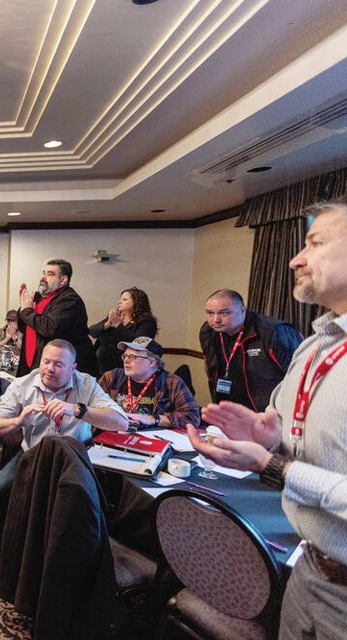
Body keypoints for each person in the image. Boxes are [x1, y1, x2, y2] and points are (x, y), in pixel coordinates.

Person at [186, 196, 347, 638]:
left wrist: (270, 463)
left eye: (315, 243)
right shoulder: (319, 344)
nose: (296, 259)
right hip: (307, 567)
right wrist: (270, 438)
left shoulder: (277, 333)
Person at [0, 340, 127, 570]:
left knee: (82, 495)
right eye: (46, 362)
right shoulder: (22, 385)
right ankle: (2, 541)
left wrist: (78, 409)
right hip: (34, 452)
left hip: (74, 454)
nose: (49, 369)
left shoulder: (86, 384)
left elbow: (121, 422)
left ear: (73, 368)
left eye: (58, 364)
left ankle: (77, 553)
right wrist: (18, 421)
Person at [199, 288, 302, 412]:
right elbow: (212, 370)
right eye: (210, 313)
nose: (216, 320)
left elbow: (300, 376)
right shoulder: (208, 332)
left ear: (243, 310)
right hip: (230, 409)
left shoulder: (273, 332)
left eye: (224, 313)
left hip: (271, 413)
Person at [15, 259, 97, 376]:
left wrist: (27, 311)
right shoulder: (41, 298)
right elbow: (26, 328)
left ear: (63, 280)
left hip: (62, 370)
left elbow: (51, 328)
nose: (43, 277)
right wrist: (23, 308)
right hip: (34, 364)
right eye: (44, 273)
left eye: (50, 274)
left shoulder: (69, 300)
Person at [97, 336, 199, 430]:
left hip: (151, 440)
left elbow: (192, 417)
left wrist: (153, 419)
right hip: (111, 436)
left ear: (151, 362)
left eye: (132, 357)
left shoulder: (172, 382)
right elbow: (91, 406)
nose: (126, 360)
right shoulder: (111, 377)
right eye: (125, 356)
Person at [89, 287, 158, 374]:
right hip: (100, 363)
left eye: (124, 299)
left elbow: (138, 343)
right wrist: (107, 325)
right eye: (120, 299)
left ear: (136, 302)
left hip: (126, 362)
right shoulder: (115, 317)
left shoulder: (147, 322)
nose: (119, 302)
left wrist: (118, 325)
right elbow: (92, 331)